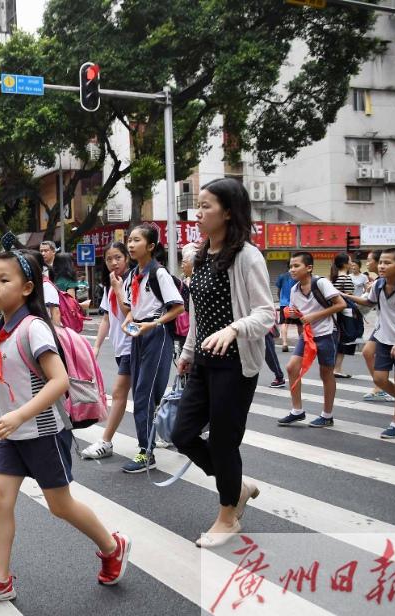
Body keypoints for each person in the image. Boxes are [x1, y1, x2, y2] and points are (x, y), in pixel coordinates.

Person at [0, 248, 130, 608]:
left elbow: (58, 381)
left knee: (60, 506)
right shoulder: (4, 328)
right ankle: (0, 580)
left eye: (4, 280)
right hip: (14, 435)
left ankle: (113, 546)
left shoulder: (34, 329)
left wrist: (19, 415)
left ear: (28, 287)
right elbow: (4, 380)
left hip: (44, 432)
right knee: (0, 500)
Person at [171, 177, 275, 548]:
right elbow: (197, 312)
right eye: (197, 206)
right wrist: (186, 353)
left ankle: (227, 517)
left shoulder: (248, 256)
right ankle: (237, 485)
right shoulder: (199, 256)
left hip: (235, 365)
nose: (198, 213)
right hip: (202, 362)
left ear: (228, 212)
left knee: (223, 443)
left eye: (206, 206)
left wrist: (234, 329)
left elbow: (267, 314)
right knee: (182, 434)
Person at [120, 224, 185, 473]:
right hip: (138, 337)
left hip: (157, 335)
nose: (131, 244)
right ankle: (175, 434)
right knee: (146, 394)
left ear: (150, 246)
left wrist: (153, 324)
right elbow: (131, 309)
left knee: (144, 395)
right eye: (130, 240)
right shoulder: (132, 275)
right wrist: (129, 322)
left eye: (136, 240)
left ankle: (146, 452)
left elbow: (177, 307)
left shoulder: (159, 274)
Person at [340, 248, 395, 438]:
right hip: (384, 339)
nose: (382, 266)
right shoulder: (378, 285)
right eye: (381, 262)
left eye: (388, 263)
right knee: (379, 379)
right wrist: (346, 296)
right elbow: (369, 302)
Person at [276, 252, 346, 428]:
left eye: (296, 266)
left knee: (326, 373)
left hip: (327, 333)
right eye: (290, 266)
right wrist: (292, 314)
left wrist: (314, 315)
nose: (292, 269)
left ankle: (327, 415)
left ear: (309, 268)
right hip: (307, 335)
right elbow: (297, 313)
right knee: (292, 367)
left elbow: (340, 304)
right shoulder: (294, 290)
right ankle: (297, 411)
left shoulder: (321, 283)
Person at [80, 241, 133, 459]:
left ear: (127, 258)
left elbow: (128, 311)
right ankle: (166, 431)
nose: (113, 262)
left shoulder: (131, 281)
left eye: (118, 258)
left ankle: (106, 441)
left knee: (119, 393)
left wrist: (119, 288)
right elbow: (106, 319)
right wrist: (97, 346)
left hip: (134, 346)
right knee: (147, 396)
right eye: (109, 259)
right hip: (121, 348)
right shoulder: (111, 285)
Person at [359, 250, 394, 403]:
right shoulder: (377, 282)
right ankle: (381, 386)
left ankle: (391, 390)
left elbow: (368, 303)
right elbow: (368, 303)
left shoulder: (387, 282)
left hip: (394, 327)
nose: (367, 263)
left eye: (369, 260)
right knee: (367, 352)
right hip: (381, 325)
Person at [330, 253, 357, 378]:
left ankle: (335, 367)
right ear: (345, 264)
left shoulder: (333, 278)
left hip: (335, 314)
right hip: (345, 314)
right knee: (344, 340)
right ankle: (337, 368)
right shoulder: (346, 278)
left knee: (338, 339)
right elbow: (349, 297)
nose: (352, 264)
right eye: (350, 261)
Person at [275, 266, 293, 351]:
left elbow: (278, 291)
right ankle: (303, 345)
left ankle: (284, 343)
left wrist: (281, 300)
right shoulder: (298, 276)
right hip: (296, 304)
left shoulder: (282, 276)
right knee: (300, 324)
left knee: (284, 323)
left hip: (284, 304)